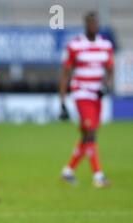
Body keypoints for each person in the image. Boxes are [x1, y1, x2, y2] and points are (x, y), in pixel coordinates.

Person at [59, 12, 113, 188]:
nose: (93, 26)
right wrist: (62, 100)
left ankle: (67, 171)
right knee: (90, 132)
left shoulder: (105, 45)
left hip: (97, 95)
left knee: (87, 136)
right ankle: (98, 176)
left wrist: (107, 84)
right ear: (85, 25)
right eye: (90, 23)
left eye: (95, 23)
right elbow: (65, 73)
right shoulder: (75, 45)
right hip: (81, 94)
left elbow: (110, 69)